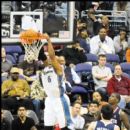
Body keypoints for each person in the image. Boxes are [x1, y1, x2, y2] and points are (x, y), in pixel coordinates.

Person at [39, 34, 74, 130]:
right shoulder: (46, 67)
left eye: (54, 59)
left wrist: (48, 40)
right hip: (49, 99)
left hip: (60, 99)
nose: (50, 59)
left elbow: (52, 56)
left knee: (65, 127)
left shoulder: (59, 68)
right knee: (47, 127)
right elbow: (42, 56)